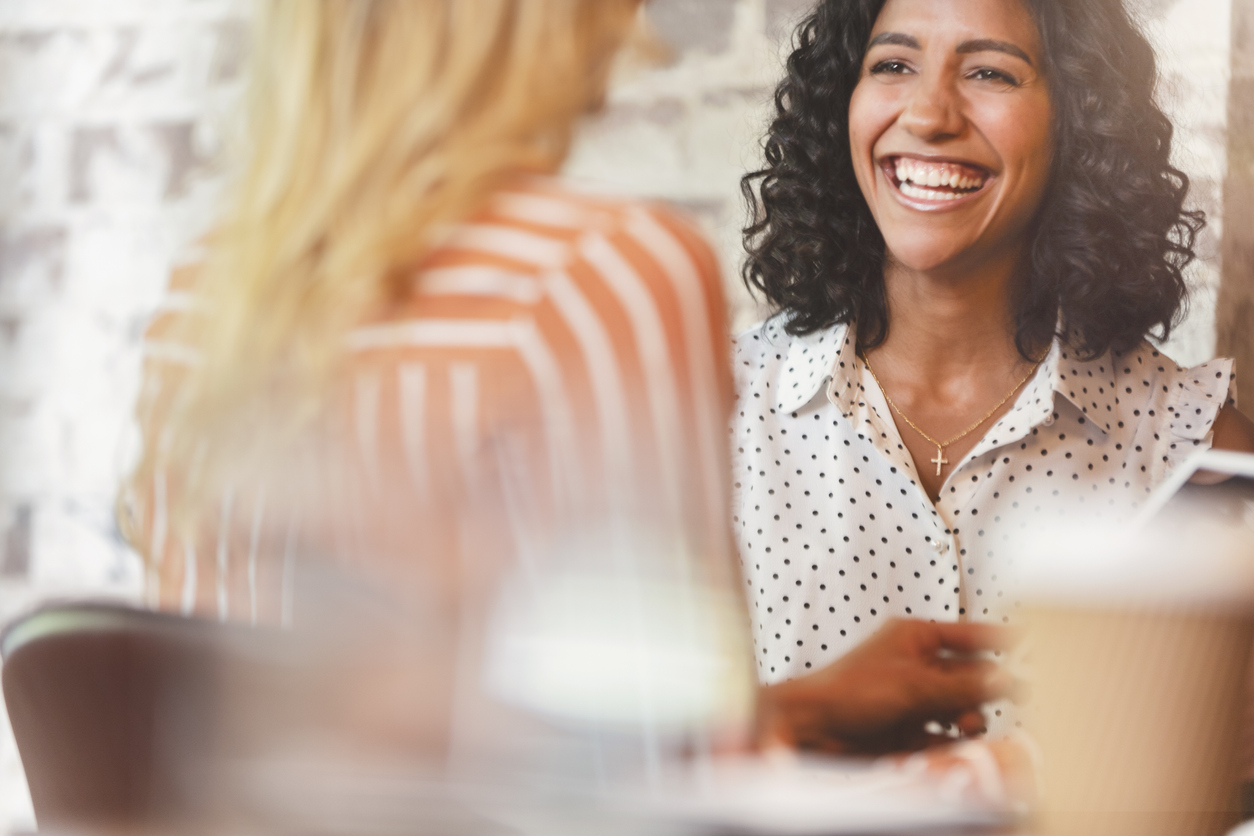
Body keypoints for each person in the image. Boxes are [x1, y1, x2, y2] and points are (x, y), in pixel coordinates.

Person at [119, 0, 1013, 774]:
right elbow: (661, 777)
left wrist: (798, 708)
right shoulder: (592, 275)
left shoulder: (203, 308)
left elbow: (349, 751)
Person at [735, 0, 1254, 748]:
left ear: (1078, 119)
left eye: (989, 72)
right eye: (893, 64)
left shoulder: (1195, 451)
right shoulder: (712, 414)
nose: (930, 111)